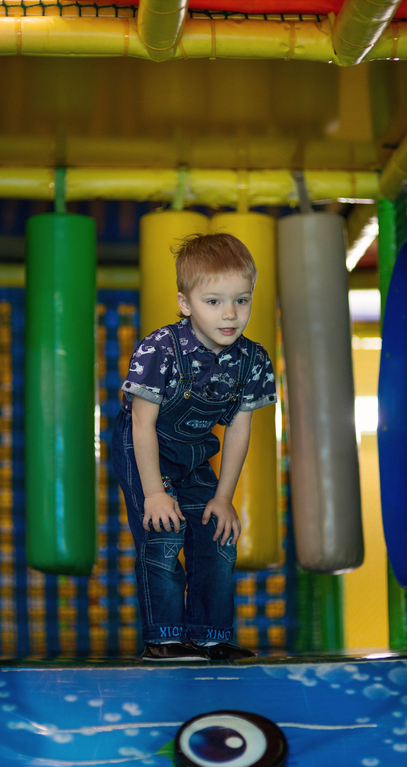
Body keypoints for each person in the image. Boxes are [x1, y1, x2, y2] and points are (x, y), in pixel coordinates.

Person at [111, 232, 277, 662]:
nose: (230, 314)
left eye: (241, 300)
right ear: (186, 303)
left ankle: (210, 636)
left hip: (193, 453)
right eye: (214, 301)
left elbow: (238, 430)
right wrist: (153, 493)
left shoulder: (253, 361)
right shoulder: (160, 349)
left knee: (217, 535)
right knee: (164, 534)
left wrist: (224, 497)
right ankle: (164, 638)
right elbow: (142, 425)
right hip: (144, 449)